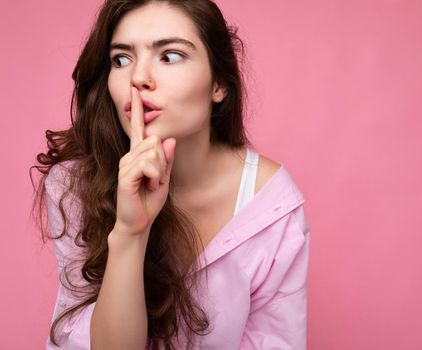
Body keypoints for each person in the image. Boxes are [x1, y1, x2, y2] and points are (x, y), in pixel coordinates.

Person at [31, 0, 310, 349]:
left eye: (170, 56)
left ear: (218, 84)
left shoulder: (273, 207)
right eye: (121, 59)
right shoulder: (75, 184)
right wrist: (131, 233)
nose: (138, 77)